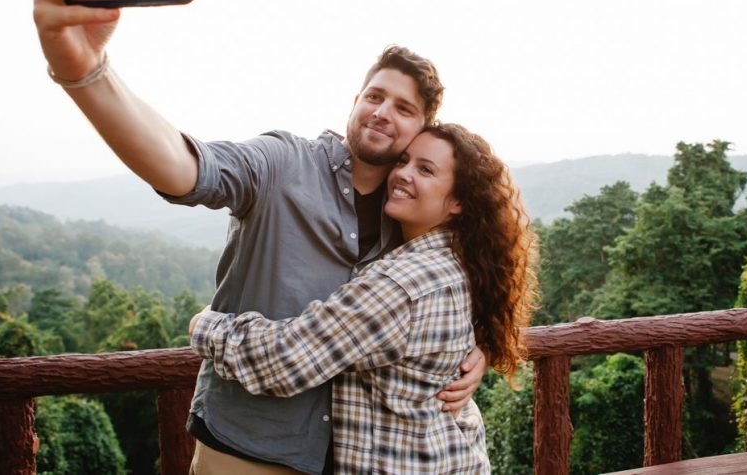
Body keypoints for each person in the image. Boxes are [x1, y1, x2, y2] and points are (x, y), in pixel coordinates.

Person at [33, 0, 487, 474]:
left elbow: (462, 287)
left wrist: (477, 351)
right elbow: (183, 166)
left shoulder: (409, 216)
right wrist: (85, 71)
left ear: (421, 128)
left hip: (342, 456)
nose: (382, 113)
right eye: (375, 95)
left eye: (403, 108)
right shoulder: (283, 163)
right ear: (355, 99)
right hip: (247, 447)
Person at [189, 123, 537, 473]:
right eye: (403, 161)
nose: (402, 174)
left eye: (425, 169)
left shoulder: (402, 285)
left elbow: (287, 359)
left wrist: (206, 325)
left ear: (459, 201)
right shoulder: (460, 262)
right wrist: (483, 348)